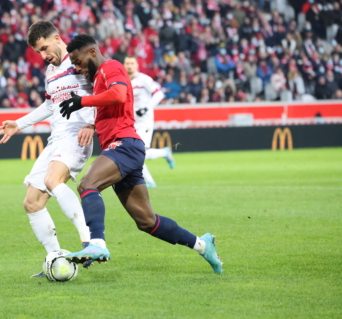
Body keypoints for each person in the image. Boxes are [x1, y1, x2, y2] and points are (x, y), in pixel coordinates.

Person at [59, 34, 222, 274]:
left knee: (87, 185)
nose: (77, 67)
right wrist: (92, 124)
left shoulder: (110, 67)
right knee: (146, 221)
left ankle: (97, 243)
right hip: (126, 147)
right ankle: (202, 245)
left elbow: (118, 95)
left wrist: (83, 101)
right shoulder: (98, 78)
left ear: (92, 52)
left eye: (78, 60)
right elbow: (112, 108)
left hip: (124, 144)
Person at [0, 21, 96, 277]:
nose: (43, 55)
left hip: (77, 135)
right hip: (56, 138)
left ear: (57, 38)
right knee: (32, 202)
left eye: (44, 48)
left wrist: (92, 124)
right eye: (38, 52)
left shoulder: (80, 60)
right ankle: (56, 257)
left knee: (52, 180)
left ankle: (89, 242)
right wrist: (18, 124)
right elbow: (50, 107)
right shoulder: (51, 71)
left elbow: (101, 91)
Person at [123, 55, 174, 188]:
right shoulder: (123, 81)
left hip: (144, 121)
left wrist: (146, 108)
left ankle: (151, 180)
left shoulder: (144, 79)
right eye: (127, 63)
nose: (129, 66)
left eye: (131, 63)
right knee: (134, 153)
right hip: (130, 122)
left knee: (139, 153)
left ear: (137, 65)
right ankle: (164, 154)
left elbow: (159, 94)